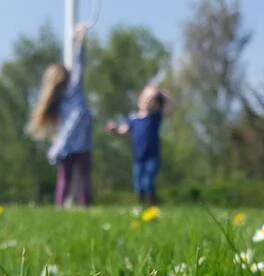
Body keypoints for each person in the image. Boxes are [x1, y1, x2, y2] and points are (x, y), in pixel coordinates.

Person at [28, 24, 93, 208]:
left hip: (74, 145)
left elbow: (79, 65)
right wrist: (80, 42)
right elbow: (79, 65)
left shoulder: (65, 96)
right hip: (75, 145)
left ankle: (65, 206)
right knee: (78, 178)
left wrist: (80, 42)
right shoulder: (69, 94)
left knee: (72, 178)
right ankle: (77, 206)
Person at [106, 81, 170, 206]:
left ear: (156, 103)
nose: (148, 102)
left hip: (153, 157)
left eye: (151, 100)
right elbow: (123, 131)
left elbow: (169, 104)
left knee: (148, 182)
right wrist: (115, 130)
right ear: (139, 100)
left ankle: (152, 203)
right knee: (138, 184)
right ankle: (141, 204)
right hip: (138, 157)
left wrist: (158, 92)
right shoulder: (133, 119)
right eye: (145, 98)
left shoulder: (155, 117)